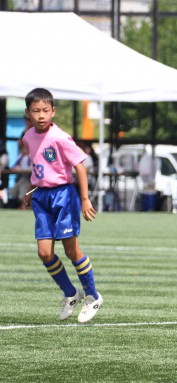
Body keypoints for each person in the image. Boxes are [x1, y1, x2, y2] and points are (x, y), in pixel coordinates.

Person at [20, 88, 103, 323]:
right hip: (41, 197)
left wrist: (85, 199)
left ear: (53, 111)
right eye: (36, 111)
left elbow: (80, 167)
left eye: (46, 110)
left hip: (64, 196)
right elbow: (40, 167)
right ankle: (70, 293)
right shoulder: (28, 137)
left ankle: (93, 296)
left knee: (71, 251)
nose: (42, 115)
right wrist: (31, 189)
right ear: (28, 113)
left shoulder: (60, 137)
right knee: (44, 253)